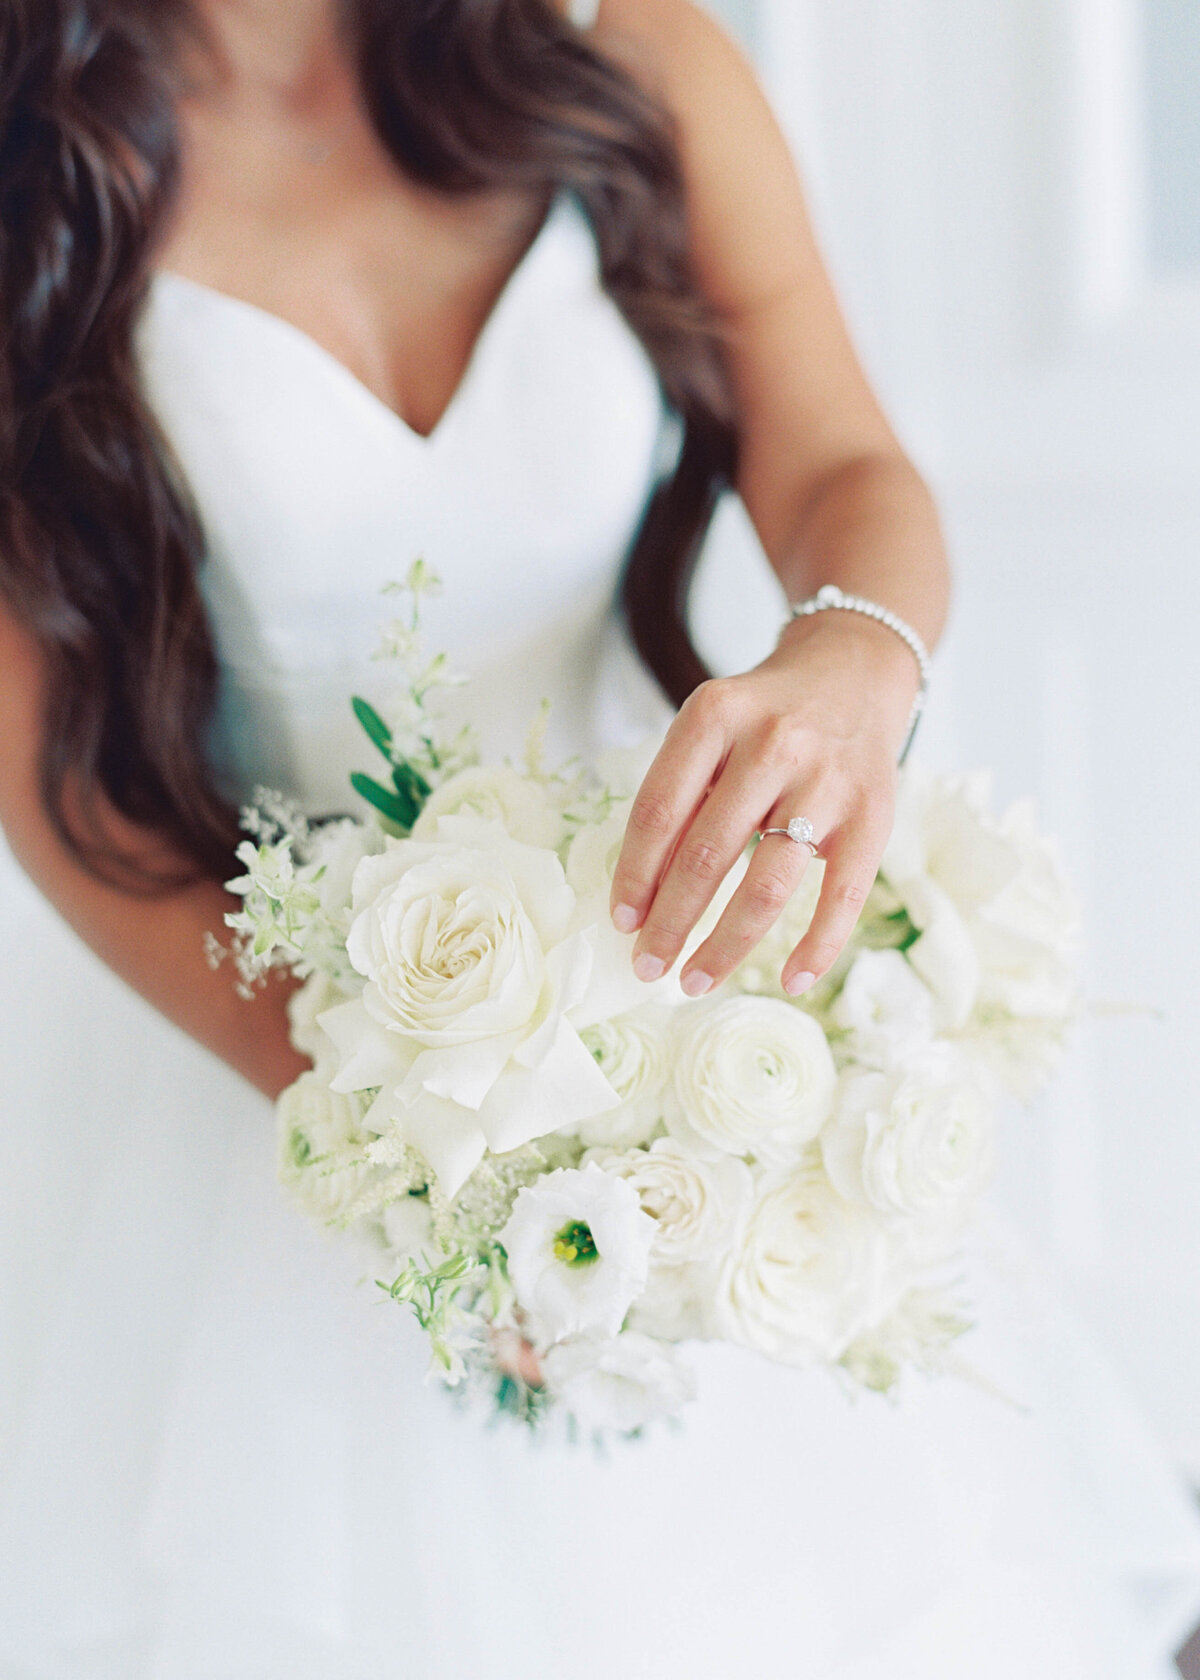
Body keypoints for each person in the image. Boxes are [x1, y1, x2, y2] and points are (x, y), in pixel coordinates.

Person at [0, 1, 1197, 1675]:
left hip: (698, 994)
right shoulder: (31, 180)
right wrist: (429, 1150)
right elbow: (70, 797)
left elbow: (845, 458)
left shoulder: (627, 56)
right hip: (297, 1055)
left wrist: (855, 653)